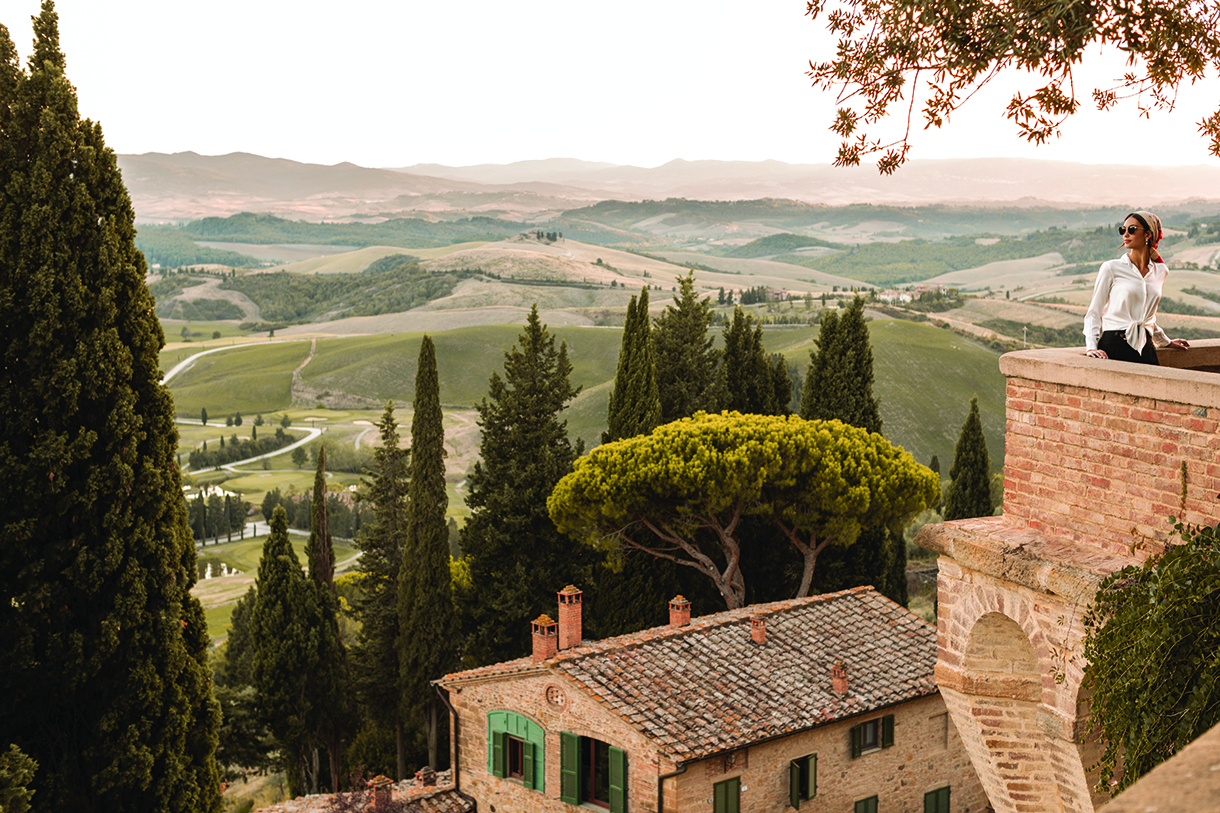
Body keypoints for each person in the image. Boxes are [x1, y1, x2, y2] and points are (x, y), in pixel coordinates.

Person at [1083, 210, 1189, 363]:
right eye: (1123, 230)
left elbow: (1148, 317)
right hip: (1113, 346)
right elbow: (1094, 312)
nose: (1125, 234)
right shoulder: (1111, 268)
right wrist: (1091, 347)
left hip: (1146, 347)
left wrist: (1165, 341)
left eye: (1131, 230)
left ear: (1148, 234)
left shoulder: (1160, 271)